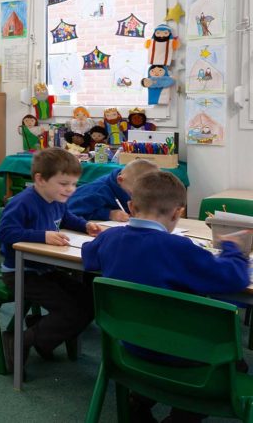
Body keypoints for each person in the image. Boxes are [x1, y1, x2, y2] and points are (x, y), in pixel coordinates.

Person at [82, 171, 250, 423]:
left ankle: (139, 400)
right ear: (177, 213)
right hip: (186, 357)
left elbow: (88, 256)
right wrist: (232, 249)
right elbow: (233, 278)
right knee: (238, 366)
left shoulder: (110, 238)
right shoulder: (180, 249)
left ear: (130, 206)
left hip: (129, 347)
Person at [0, 147, 102, 371]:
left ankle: (41, 332)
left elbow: (66, 217)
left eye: (74, 184)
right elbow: (5, 233)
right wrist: (42, 236)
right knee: (71, 311)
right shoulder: (22, 202)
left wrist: (85, 225)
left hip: (46, 269)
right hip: (20, 272)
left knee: (91, 300)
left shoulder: (56, 199)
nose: (70, 190)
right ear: (40, 179)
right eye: (64, 184)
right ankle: (21, 339)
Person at [67, 159, 158, 222]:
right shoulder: (96, 192)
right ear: (120, 180)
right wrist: (109, 214)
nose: (138, 198)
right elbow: (68, 214)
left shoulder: (129, 184)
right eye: (133, 194)